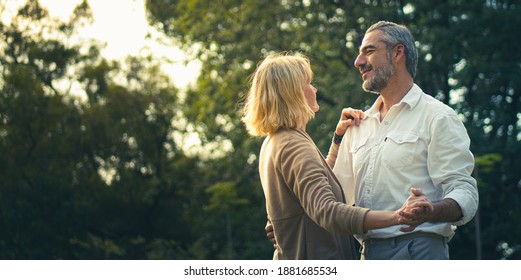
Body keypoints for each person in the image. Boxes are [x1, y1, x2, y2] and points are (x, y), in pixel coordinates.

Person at [241, 52, 429, 260]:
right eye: (309, 83)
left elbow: (317, 183)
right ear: (292, 92)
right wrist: (396, 217)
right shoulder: (293, 145)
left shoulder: (276, 141)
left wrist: (338, 139)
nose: (314, 89)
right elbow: (327, 211)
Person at [330, 21, 479, 259]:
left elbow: (464, 191)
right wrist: (287, 218)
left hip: (420, 251)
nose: (358, 62)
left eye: (368, 51)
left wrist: (431, 211)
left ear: (397, 52)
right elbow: (332, 197)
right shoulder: (356, 126)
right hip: (366, 255)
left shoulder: (438, 116)